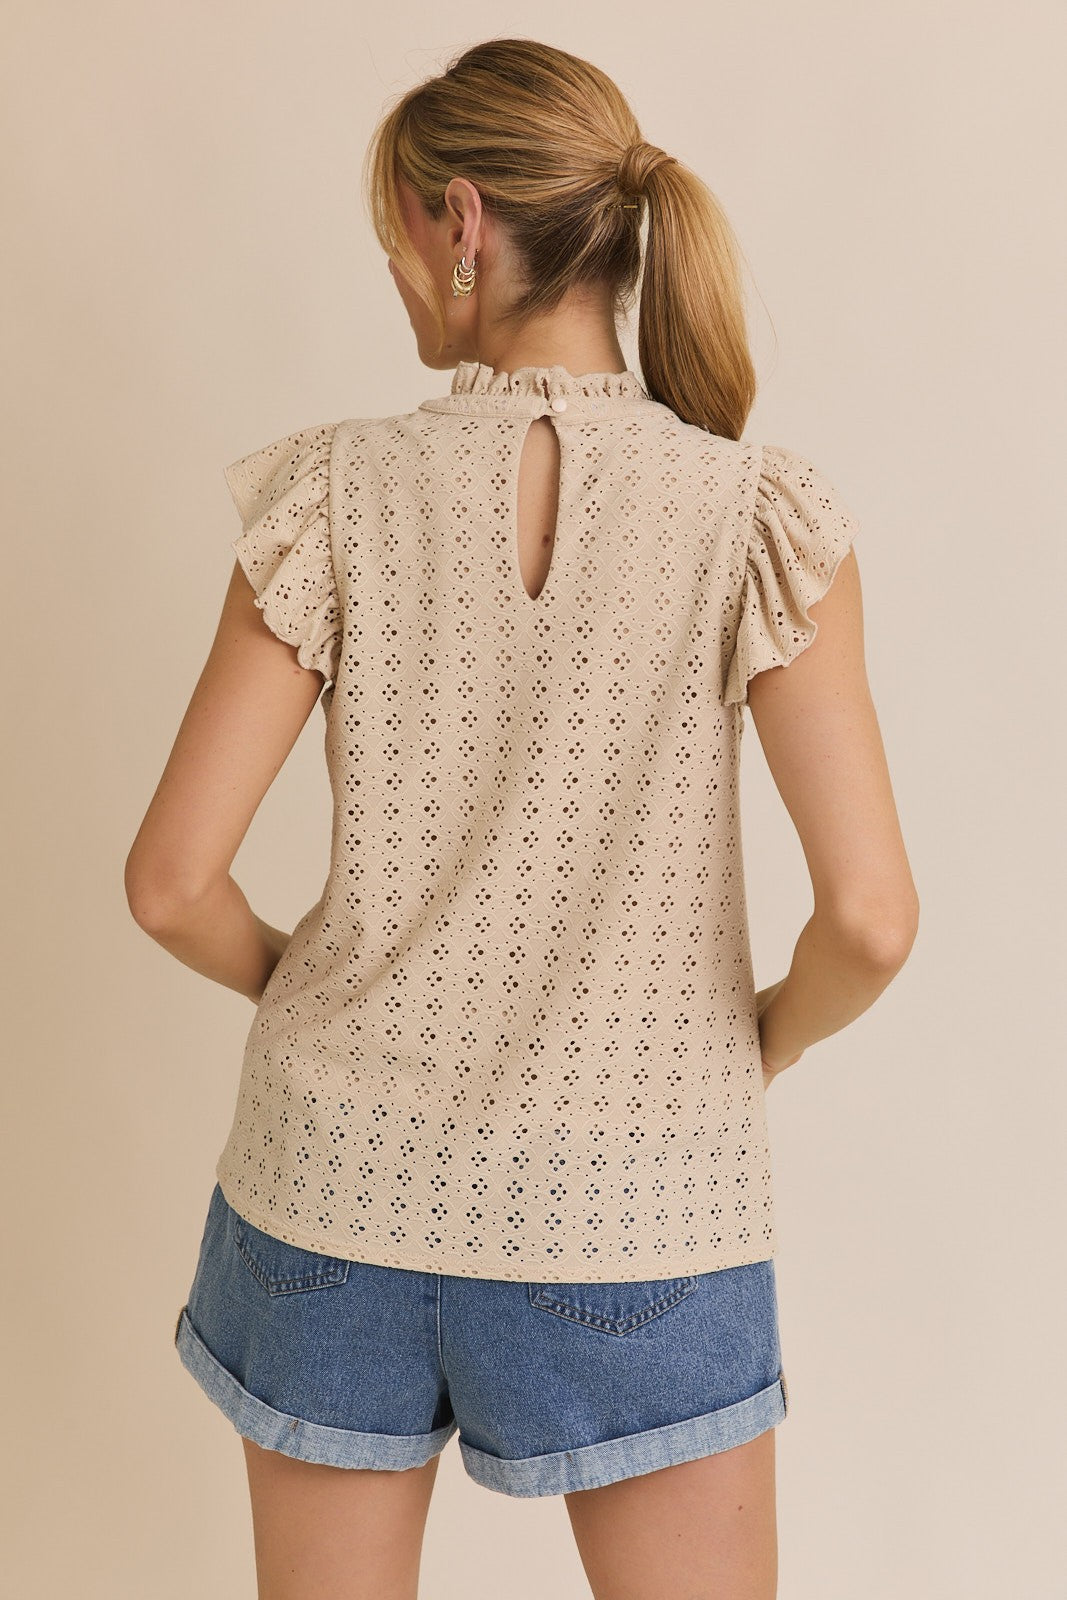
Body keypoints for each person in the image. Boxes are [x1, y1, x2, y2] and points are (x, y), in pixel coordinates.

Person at [125, 36, 919, 1600]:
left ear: (462, 222)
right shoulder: (754, 515)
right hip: (642, 1206)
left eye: (395, 236)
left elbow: (170, 883)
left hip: (330, 1194)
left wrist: (306, 987)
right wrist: (756, 1041)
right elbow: (873, 923)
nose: (395, 276)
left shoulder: (333, 496)